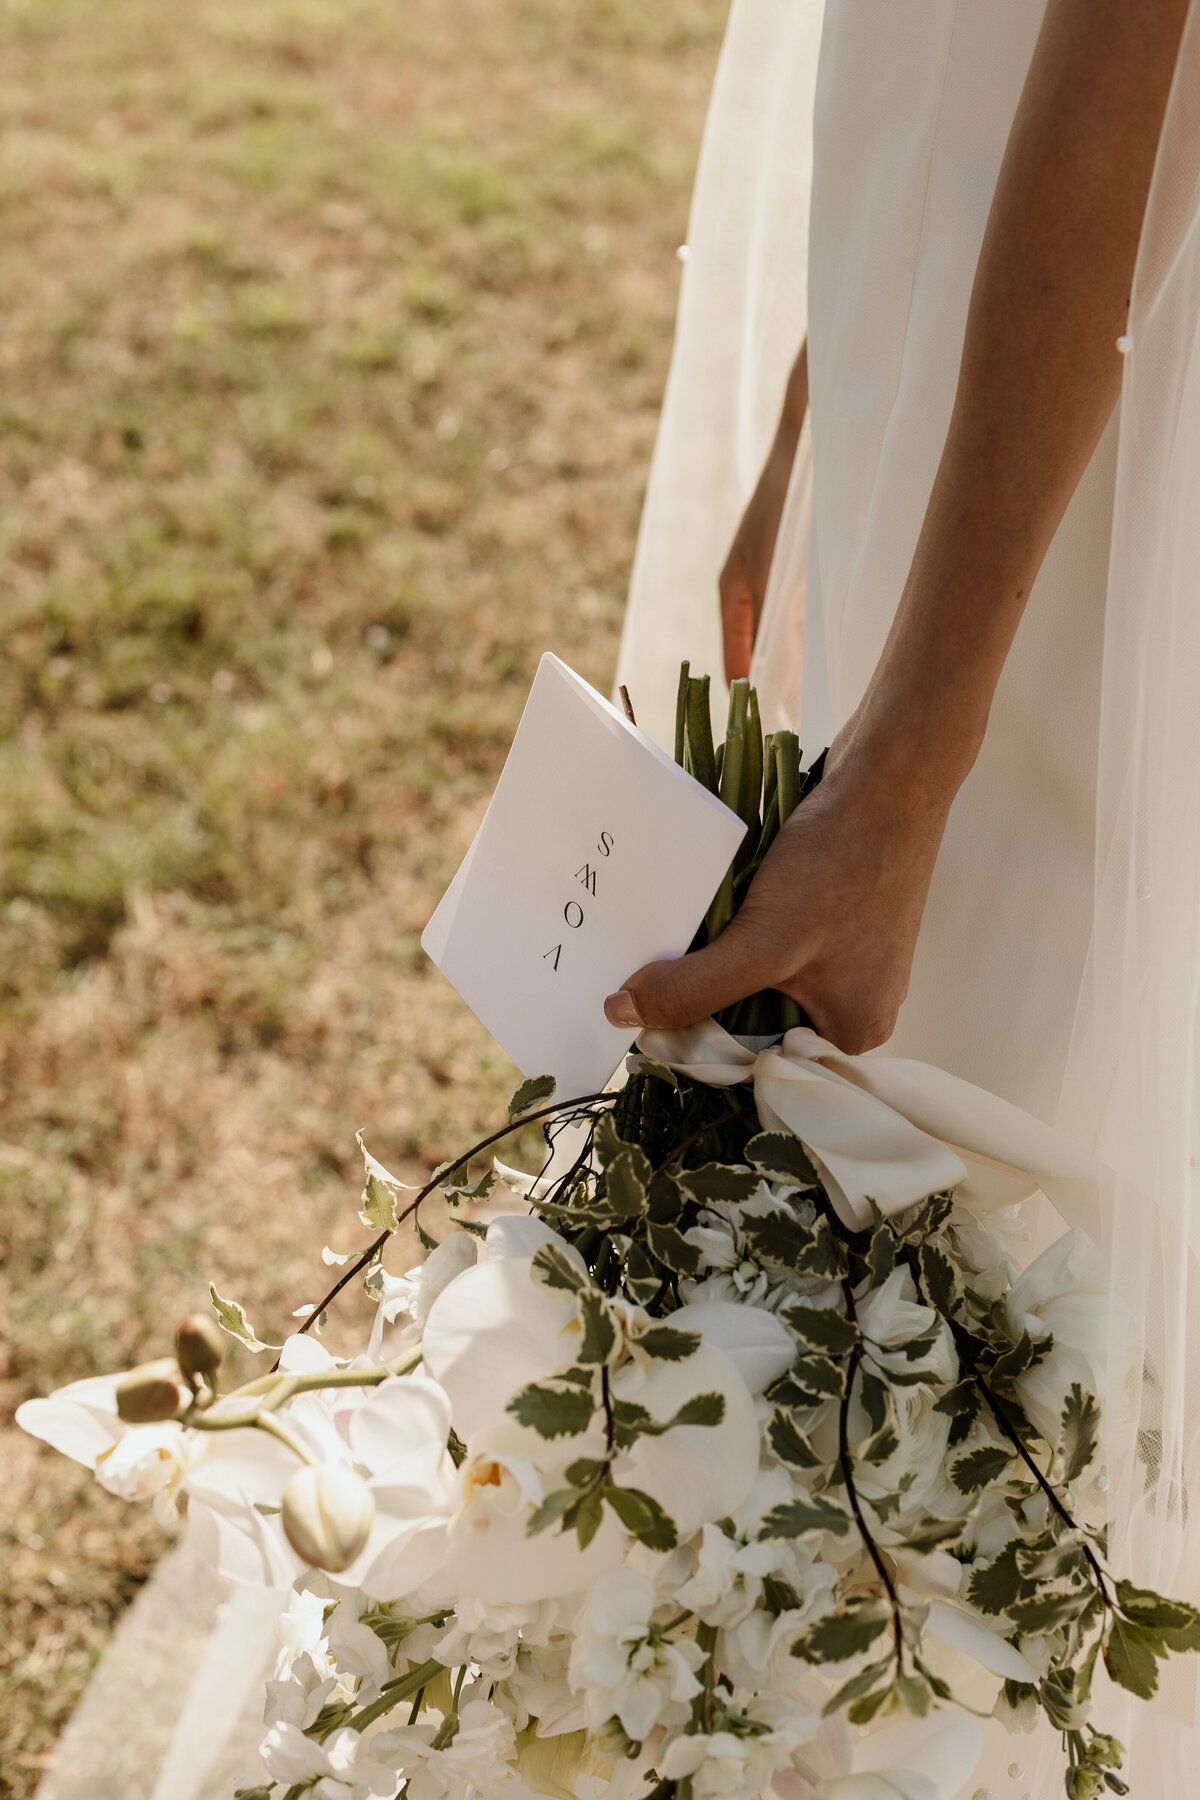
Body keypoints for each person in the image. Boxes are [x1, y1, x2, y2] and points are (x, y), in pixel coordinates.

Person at [613, 0, 1200, 1792]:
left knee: (1034, 1153)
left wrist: (913, 750)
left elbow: (1120, 74)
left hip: (1098, 463)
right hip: (940, 351)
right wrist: (817, 403)